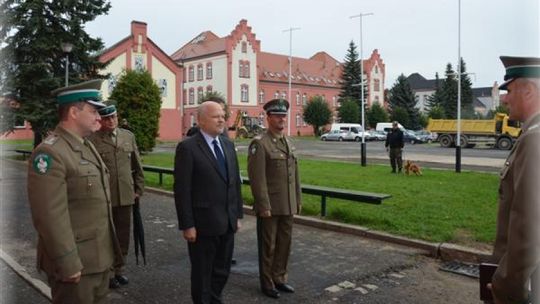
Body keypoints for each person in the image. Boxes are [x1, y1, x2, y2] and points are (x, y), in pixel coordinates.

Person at [27, 80, 122, 304]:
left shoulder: (84, 145)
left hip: (98, 260)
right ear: (73, 112)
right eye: (93, 111)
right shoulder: (51, 153)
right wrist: (67, 262)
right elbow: (49, 217)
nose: (99, 117)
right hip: (76, 266)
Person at [174, 101, 243, 304]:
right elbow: (182, 190)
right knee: (203, 273)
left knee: (222, 270)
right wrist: (187, 225)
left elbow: (234, 184)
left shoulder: (228, 144)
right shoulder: (188, 147)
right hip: (203, 225)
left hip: (227, 222)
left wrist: (237, 214)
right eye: (216, 116)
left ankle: (215, 299)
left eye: (223, 115)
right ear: (201, 120)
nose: (221, 119)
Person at [487, 56, 540, 304]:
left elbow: (529, 227)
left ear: (528, 90)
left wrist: (506, 286)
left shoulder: (534, 139)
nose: (505, 98)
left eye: (509, 89)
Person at [247, 99, 301, 299]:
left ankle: (280, 278)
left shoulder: (287, 142)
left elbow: (295, 176)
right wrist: (263, 206)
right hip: (270, 206)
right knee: (268, 246)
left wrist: (297, 199)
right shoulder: (260, 144)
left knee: (285, 244)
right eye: (277, 116)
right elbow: (257, 179)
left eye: (283, 116)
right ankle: (267, 282)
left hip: (287, 204)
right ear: (268, 117)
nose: (281, 119)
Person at [89, 103, 145, 288]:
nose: (111, 121)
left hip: (126, 195)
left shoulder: (128, 136)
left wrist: (138, 188)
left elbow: (137, 165)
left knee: (123, 234)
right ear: (101, 120)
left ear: (117, 117)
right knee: (105, 235)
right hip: (104, 196)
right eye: (106, 118)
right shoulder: (93, 139)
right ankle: (108, 272)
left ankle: (119, 269)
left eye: (113, 117)